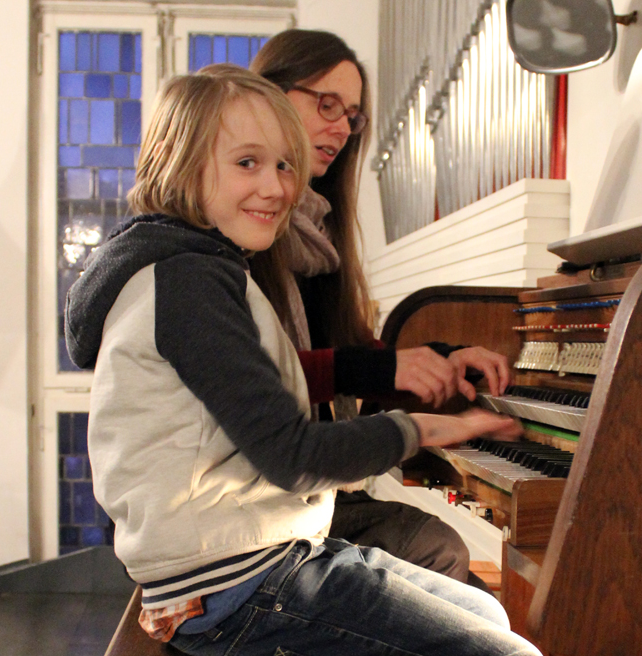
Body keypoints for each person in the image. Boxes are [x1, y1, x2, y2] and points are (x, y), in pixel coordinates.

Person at [63, 65, 540, 656]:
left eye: (286, 165)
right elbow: (292, 456)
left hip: (256, 553)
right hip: (230, 581)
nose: (276, 187)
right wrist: (426, 428)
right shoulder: (188, 281)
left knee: (484, 610)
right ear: (178, 162)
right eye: (248, 163)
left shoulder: (201, 267)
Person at [248, 29, 511, 591]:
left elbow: (347, 348)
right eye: (327, 105)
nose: (343, 128)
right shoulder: (241, 231)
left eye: (353, 116)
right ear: (268, 96)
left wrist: (441, 359)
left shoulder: (317, 231)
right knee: (446, 560)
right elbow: (260, 378)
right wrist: (391, 374)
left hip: (307, 495)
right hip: (254, 508)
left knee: (471, 591)